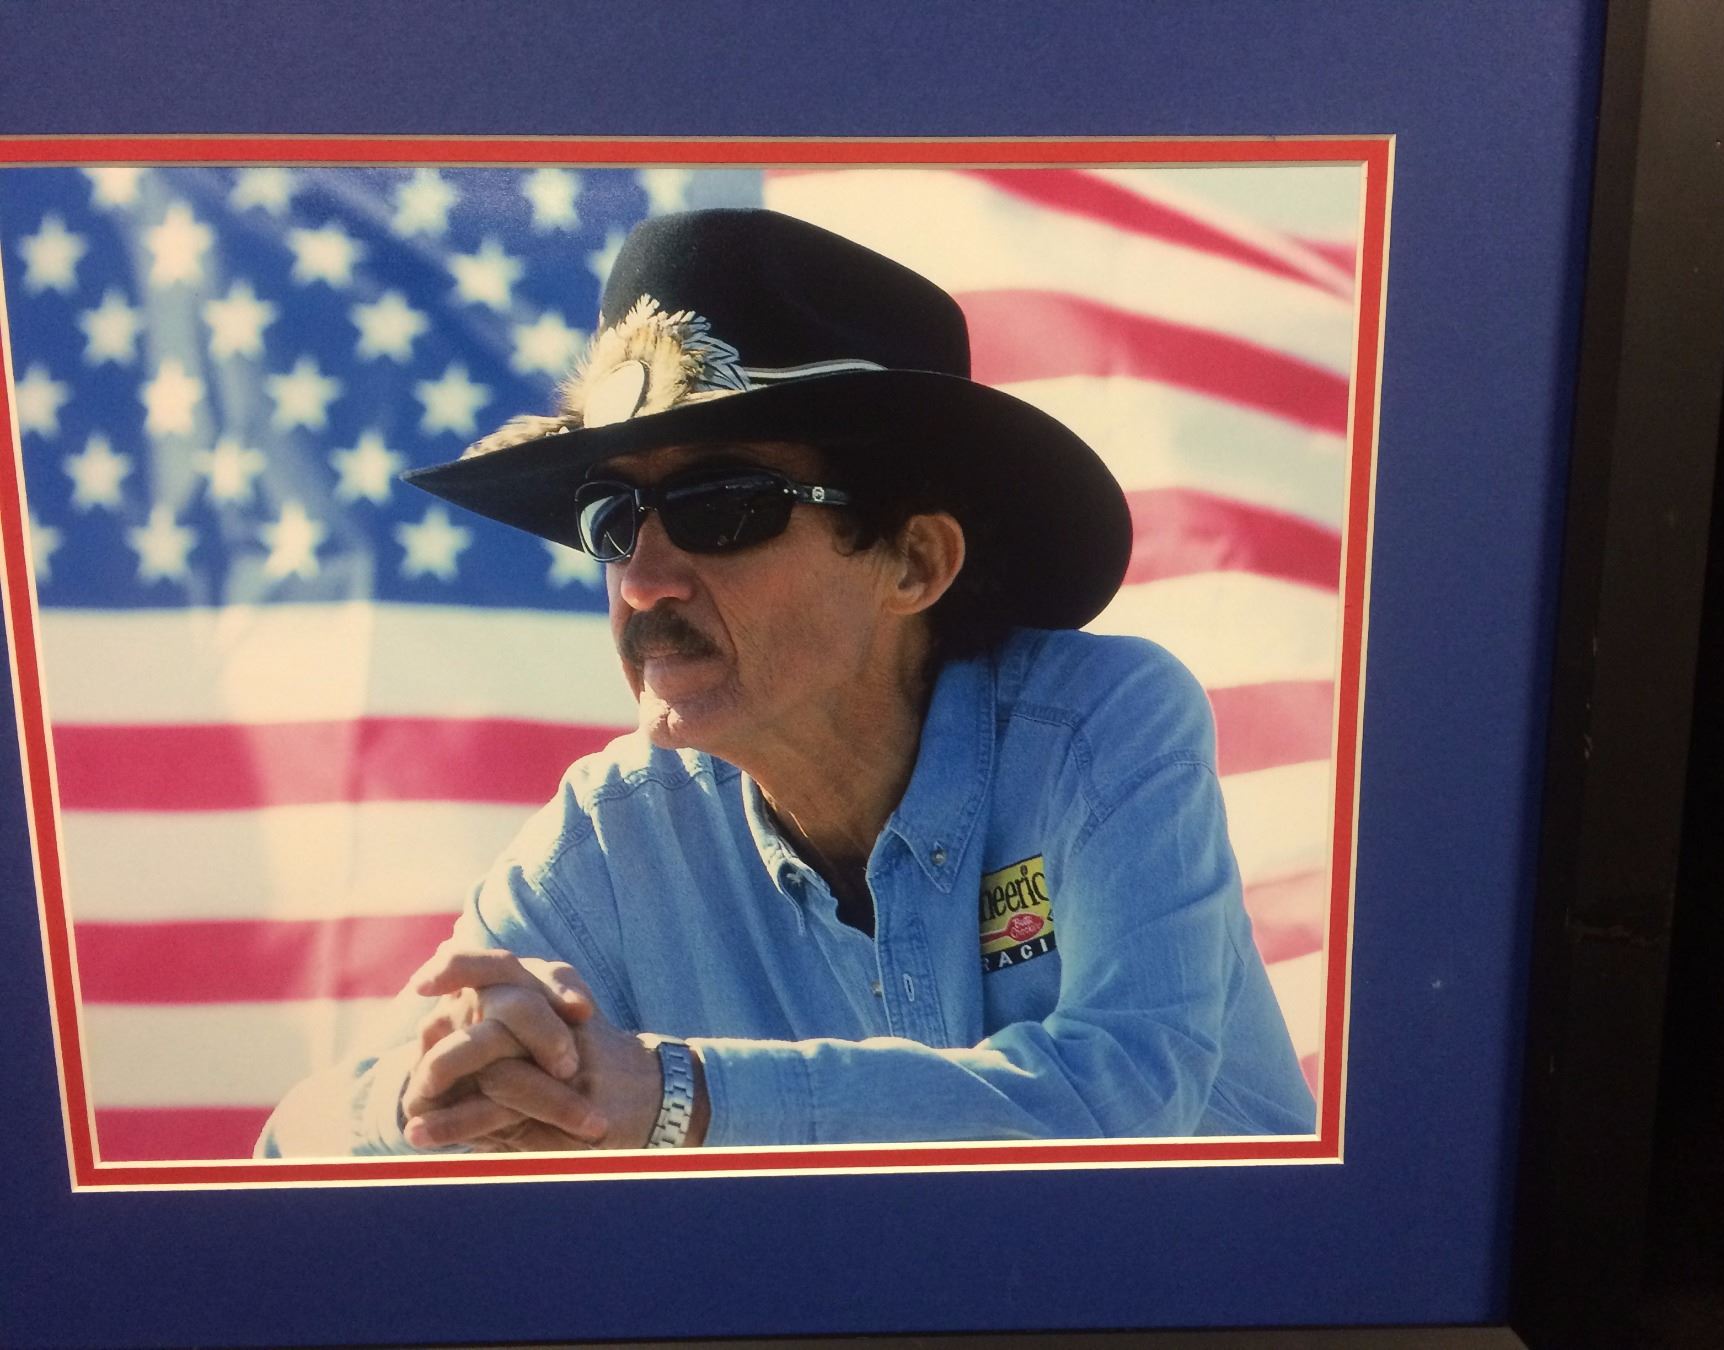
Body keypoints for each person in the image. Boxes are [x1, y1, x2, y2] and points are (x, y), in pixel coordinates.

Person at [256, 208, 1315, 1156]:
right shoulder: (614, 832)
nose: (644, 581)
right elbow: (292, 1146)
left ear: (915, 564)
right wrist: (435, 1090)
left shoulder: (1100, 723)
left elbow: (1121, 1105)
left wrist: (674, 1097)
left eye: (723, 507)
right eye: (610, 520)